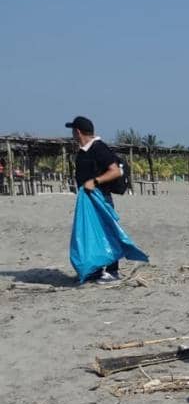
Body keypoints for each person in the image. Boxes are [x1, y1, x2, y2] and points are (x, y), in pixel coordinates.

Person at [67, 115, 125, 280]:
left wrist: (95, 181)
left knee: (108, 232)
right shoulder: (84, 150)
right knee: (93, 233)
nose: (72, 134)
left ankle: (113, 271)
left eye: (73, 130)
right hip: (89, 200)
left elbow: (115, 171)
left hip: (101, 198)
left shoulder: (99, 148)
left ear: (78, 132)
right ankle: (97, 269)